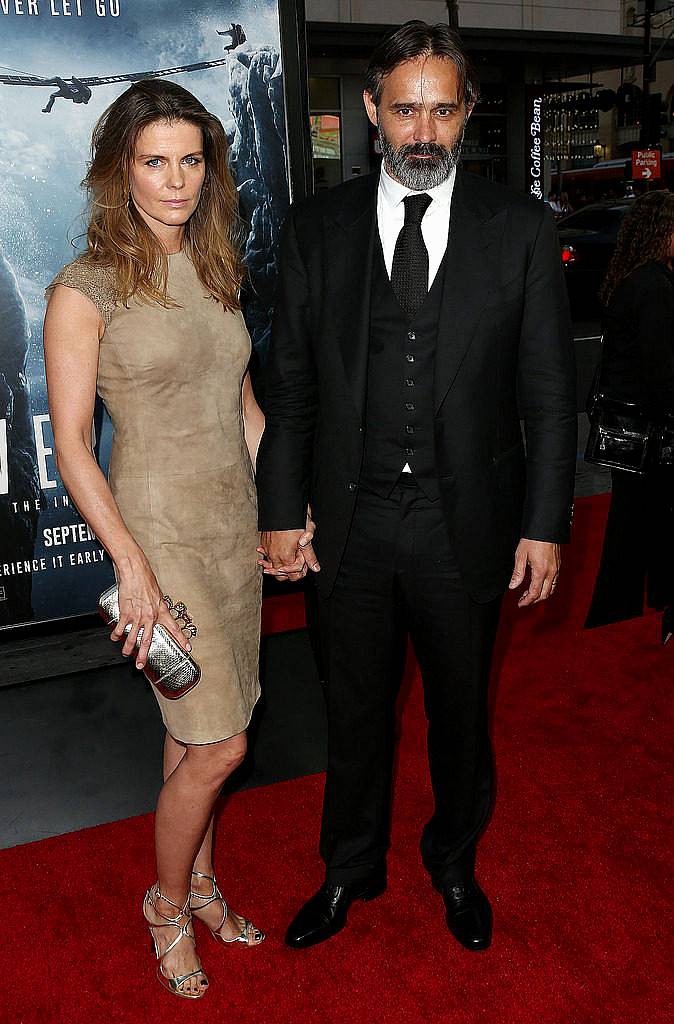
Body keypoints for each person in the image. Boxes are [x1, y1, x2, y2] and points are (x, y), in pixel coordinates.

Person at [257, 21, 576, 953]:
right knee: (352, 715)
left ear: (467, 113)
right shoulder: (318, 230)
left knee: (460, 715)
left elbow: (550, 400)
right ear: (371, 112)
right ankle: (348, 869)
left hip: (463, 523)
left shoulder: (520, 230)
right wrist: (282, 511)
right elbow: (292, 389)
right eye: (405, 109)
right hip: (348, 528)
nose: (424, 130)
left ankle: (454, 863)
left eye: (442, 108)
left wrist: (544, 523)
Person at [43, 79, 289, 999]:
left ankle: (203, 882)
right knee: (222, 743)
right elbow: (72, 446)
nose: (177, 180)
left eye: (192, 160)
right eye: (156, 161)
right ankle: (166, 907)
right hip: (156, 535)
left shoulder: (216, 268)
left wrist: (288, 509)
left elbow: (243, 407)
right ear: (120, 170)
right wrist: (131, 568)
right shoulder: (86, 286)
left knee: (197, 736)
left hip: (229, 530)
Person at [585, 190, 674, 638]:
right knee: (638, 530)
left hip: (633, 432)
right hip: (649, 434)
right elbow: (662, 374)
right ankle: (620, 618)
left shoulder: (636, 278)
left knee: (638, 527)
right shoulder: (654, 285)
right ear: (663, 232)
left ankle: (622, 617)